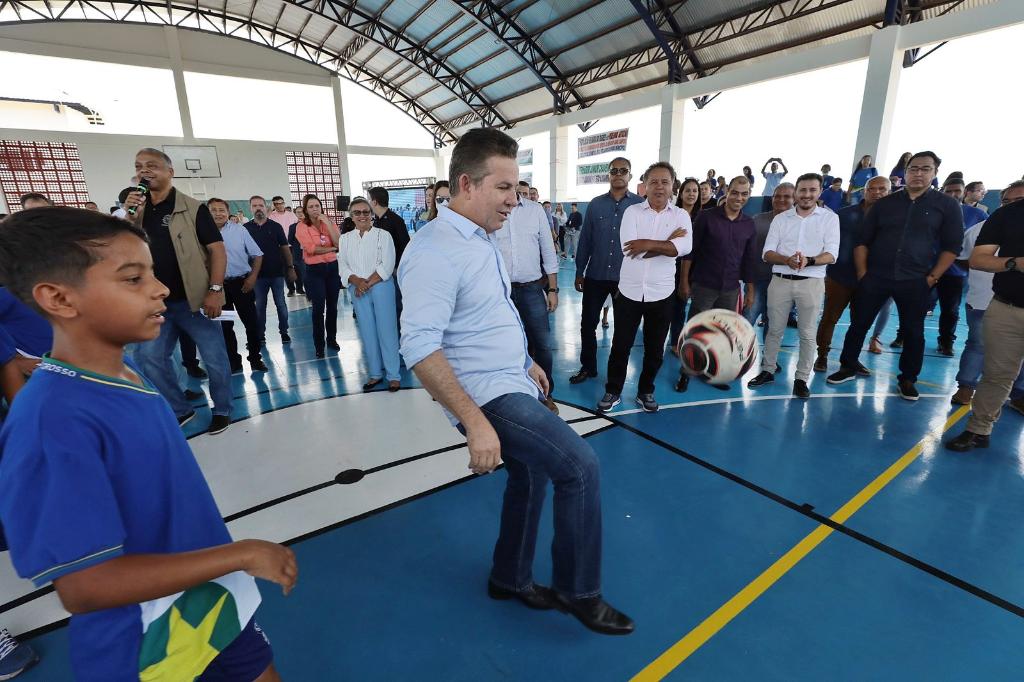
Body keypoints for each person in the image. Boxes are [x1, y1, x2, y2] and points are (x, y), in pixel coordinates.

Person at [0, 206, 296, 681]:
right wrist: (239, 554)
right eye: (133, 279)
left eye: (152, 273)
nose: (160, 289)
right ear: (59, 298)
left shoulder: (126, 372)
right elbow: (86, 586)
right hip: (148, 642)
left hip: (210, 598)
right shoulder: (51, 421)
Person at [399, 126, 634, 636]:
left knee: (530, 476)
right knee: (580, 466)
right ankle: (579, 592)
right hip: (486, 394)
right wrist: (475, 423)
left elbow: (488, 314)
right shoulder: (434, 250)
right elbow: (418, 346)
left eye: (516, 186)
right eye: (504, 187)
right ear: (467, 184)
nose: (515, 198)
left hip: (510, 378)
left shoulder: (479, 237)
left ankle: (509, 577)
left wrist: (525, 360)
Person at [827, 151, 964, 400]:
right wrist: (863, 273)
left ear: (935, 173)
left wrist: (932, 277)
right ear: (906, 172)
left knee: (913, 331)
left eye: (925, 169)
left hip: (915, 279)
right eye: (913, 168)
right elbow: (862, 241)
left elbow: (952, 246)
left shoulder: (946, 206)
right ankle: (848, 365)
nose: (918, 173)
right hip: (876, 277)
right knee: (859, 324)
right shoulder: (885, 204)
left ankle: (908, 379)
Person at [124, 148, 233, 435]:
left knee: (215, 359)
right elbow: (125, 249)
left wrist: (214, 290)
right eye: (139, 166)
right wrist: (132, 217)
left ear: (170, 172)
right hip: (156, 303)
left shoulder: (193, 209)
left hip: (194, 300)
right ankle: (179, 409)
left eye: (152, 165)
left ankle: (222, 409)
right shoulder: (137, 210)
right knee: (148, 358)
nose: (144, 171)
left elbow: (217, 251)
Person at [598, 162, 692, 413]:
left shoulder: (681, 216)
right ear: (645, 186)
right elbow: (630, 250)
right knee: (620, 346)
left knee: (655, 349)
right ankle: (613, 390)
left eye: (665, 182)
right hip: (629, 292)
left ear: (673, 186)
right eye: (654, 182)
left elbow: (684, 248)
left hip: (662, 293)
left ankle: (645, 391)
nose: (659, 186)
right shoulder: (632, 212)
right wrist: (668, 244)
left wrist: (649, 244)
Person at [748, 173, 840, 398]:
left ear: (819, 192)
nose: (807, 194)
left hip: (811, 283)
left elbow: (832, 254)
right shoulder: (781, 219)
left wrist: (810, 260)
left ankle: (801, 378)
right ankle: (768, 370)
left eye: (812, 190)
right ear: (797, 193)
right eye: (803, 190)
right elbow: (767, 253)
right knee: (774, 330)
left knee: (807, 334)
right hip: (780, 281)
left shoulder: (830, 219)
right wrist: (786, 260)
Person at [945, 192, 1024, 451]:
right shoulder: (1008, 214)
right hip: (1007, 309)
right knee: (997, 375)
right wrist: (1014, 263)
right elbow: (978, 259)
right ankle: (979, 429)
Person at [569, 157, 644, 385]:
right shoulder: (595, 204)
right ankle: (588, 367)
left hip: (626, 280)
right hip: (596, 275)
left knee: (623, 331)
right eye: (614, 170)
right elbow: (585, 241)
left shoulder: (640, 205)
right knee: (587, 325)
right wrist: (579, 271)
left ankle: (615, 375)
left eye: (623, 170)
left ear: (630, 175)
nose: (618, 174)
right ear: (609, 175)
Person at [490, 181, 560, 413]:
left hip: (532, 289)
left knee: (542, 344)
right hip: (500, 291)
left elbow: (548, 250)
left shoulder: (535, 210)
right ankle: (515, 393)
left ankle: (545, 395)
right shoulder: (492, 210)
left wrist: (553, 289)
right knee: (506, 345)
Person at [814, 176, 891, 372]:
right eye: (872, 188)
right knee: (829, 318)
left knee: (860, 323)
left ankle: (851, 359)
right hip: (840, 276)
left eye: (882, 189)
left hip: (871, 281)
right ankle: (822, 355)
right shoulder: (844, 215)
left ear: (889, 192)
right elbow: (826, 242)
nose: (877, 192)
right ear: (865, 191)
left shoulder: (894, 219)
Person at [339, 197, 401, 392]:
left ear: (371, 214)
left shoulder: (383, 235)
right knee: (367, 332)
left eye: (366, 212)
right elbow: (343, 266)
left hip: (381, 286)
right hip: (357, 288)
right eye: (357, 212)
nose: (362, 216)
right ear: (351, 216)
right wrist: (357, 282)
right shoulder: (345, 239)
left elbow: (387, 264)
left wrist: (366, 284)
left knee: (387, 330)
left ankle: (393, 375)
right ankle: (375, 374)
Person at [679, 176, 756, 324]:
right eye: (735, 192)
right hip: (703, 287)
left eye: (744, 194)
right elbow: (690, 252)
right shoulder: (706, 217)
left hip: (731, 290)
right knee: (697, 330)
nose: (739, 198)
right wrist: (684, 282)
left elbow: (749, 259)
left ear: (749, 195)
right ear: (727, 191)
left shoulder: (749, 224)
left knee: (722, 331)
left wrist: (750, 290)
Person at [209, 198, 267, 373]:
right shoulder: (202, 233)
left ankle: (255, 358)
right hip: (219, 289)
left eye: (222, 210)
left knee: (252, 324)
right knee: (225, 326)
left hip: (242, 285)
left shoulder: (239, 230)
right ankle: (233, 361)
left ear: (228, 212)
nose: (218, 213)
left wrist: (252, 277)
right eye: (213, 210)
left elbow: (257, 254)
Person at [935, 179, 987, 356]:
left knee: (950, 309)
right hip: (927, 268)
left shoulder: (977, 215)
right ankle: (903, 336)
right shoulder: (932, 210)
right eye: (948, 191)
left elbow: (986, 240)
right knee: (916, 305)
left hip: (955, 272)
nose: (952, 194)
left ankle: (946, 341)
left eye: (957, 191)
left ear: (964, 192)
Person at [746, 183, 796, 340]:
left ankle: (769, 356)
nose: (781, 199)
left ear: (794, 199)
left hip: (785, 284)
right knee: (746, 322)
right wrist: (749, 285)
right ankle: (737, 354)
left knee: (774, 327)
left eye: (786, 196)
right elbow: (747, 253)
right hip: (758, 281)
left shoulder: (801, 223)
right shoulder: (758, 220)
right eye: (777, 196)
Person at [295, 194, 341, 358]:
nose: (315, 209)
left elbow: (339, 243)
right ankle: (319, 345)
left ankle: (332, 339)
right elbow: (311, 249)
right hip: (315, 271)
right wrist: (332, 248)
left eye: (317, 206)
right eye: (311, 207)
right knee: (318, 308)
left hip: (332, 269)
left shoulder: (329, 222)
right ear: (306, 210)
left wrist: (327, 223)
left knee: (332, 307)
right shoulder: (301, 227)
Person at [246, 196, 295, 346]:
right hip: (257, 276)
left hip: (277, 274)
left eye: (260, 205)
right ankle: (260, 335)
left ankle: (284, 332)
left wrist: (290, 268)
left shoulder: (275, 227)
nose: (258, 208)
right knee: (260, 306)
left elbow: (285, 249)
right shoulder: (245, 229)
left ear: (266, 207)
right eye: (255, 206)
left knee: (281, 304)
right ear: (250, 209)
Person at [269, 196, 303, 296]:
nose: (279, 205)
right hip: (280, 246)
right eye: (276, 204)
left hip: (293, 245)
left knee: (297, 267)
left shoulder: (291, 215)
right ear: (273, 205)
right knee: (286, 268)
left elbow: (298, 228)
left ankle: (300, 288)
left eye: (281, 203)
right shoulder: (271, 216)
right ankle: (291, 289)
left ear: (284, 203)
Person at [287, 206, 307, 299]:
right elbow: (290, 240)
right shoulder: (292, 227)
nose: (300, 214)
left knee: (309, 274)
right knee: (301, 274)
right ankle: (301, 290)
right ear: (295, 214)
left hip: (311, 253)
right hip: (298, 254)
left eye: (302, 211)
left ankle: (310, 292)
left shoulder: (310, 225)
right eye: (298, 212)